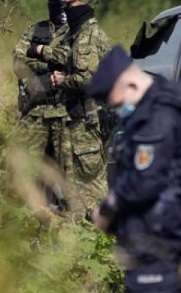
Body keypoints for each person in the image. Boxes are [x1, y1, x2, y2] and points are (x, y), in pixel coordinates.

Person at [88, 46, 181, 293]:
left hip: (155, 237)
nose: (117, 110)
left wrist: (109, 208)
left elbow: (144, 181)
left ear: (129, 84)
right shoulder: (157, 110)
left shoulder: (158, 117)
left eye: (115, 103)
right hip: (152, 236)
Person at [27, 0, 111, 219]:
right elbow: (68, 56)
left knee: (91, 191)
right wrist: (43, 51)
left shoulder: (87, 36)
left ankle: (100, 243)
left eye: (71, 2)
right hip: (79, 122)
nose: (66, 6)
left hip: (87, 123)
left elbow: (85, 78)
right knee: (74, 190)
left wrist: (61, 80)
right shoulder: (80, 33)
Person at [12, 0, 70, 212]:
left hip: (66, 114)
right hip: (36, 113)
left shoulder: (78, 31)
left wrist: (38, 56)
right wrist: (45, 74)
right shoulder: (35, 30)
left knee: (67, 172)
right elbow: (18, 61)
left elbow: (78, 63)